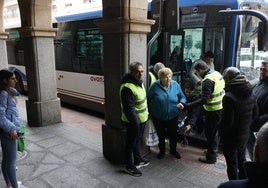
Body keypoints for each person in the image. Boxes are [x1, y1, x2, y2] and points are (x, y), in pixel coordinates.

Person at [220, 67, 258, 180]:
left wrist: (220, 131)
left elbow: (227, 123)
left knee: (232, 164)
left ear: (229, 80)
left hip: (231, 139)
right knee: (242, 161)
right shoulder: (251, 91)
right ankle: (243, 183)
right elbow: (255, 113)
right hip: (244, 135)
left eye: (225, 79)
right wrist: (245, 126)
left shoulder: (229, 97)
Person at [184, 61, 225, 164]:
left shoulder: (207, 80)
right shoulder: (216, 74)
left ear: (200, 70)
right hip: (220, 108)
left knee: (210, 134)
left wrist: (189, 105)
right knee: (215, 133)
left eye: (198, 73)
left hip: (213, 111)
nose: (198, 75)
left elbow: (204, 100)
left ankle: (211, 157)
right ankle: (212, 151)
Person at [147, 67, 186, 159]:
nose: (168, 79)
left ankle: (173, 150)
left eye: (170, 77)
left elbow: (182, 97)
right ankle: (162, 151)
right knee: (161, 135)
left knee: (173, 135)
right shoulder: (154, 86)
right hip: (158, 116)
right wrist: (149, 113)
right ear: (160, 78)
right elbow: (148, 100)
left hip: (173, 115)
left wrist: (181, 102)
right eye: (165, 77)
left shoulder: (175, 84)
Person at [119, 62, 150, 177]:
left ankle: (138, 160)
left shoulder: (139, 83)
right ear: (131, 72)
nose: (140, 74)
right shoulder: (127, 87)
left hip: (141, 119)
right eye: (137, 71)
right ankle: (129, 166)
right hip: (133, 122)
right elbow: (129, 109)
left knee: (137, 141)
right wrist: (136, 123)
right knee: (130, 143)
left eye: (142, 71)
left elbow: (142, 102)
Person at [218, 122, 268, 188]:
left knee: (232, 162)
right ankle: (242, 177)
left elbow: (228, 120)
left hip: (232, 135)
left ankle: (235, 178)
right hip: (244, 132)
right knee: (241, 158)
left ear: (257, 152)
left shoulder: (227, 186)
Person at [0, 69, 23, 188]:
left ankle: (9, 184)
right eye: (12, 78)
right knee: (12, 162)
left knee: (6, 159)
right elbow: (0, 116)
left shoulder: (7, 92)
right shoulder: (3, 94)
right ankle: (15, 186)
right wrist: (12, 129)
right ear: (5, 80)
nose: (16, 80)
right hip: (9, 132)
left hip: (7, 131)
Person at [247, 61, 268, 160]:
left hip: (260, 128)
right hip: (251, 125)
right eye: (261, 69)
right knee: (251, 151)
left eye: (265, 70)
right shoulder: (258, 82)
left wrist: (257, 120)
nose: (262, 72)